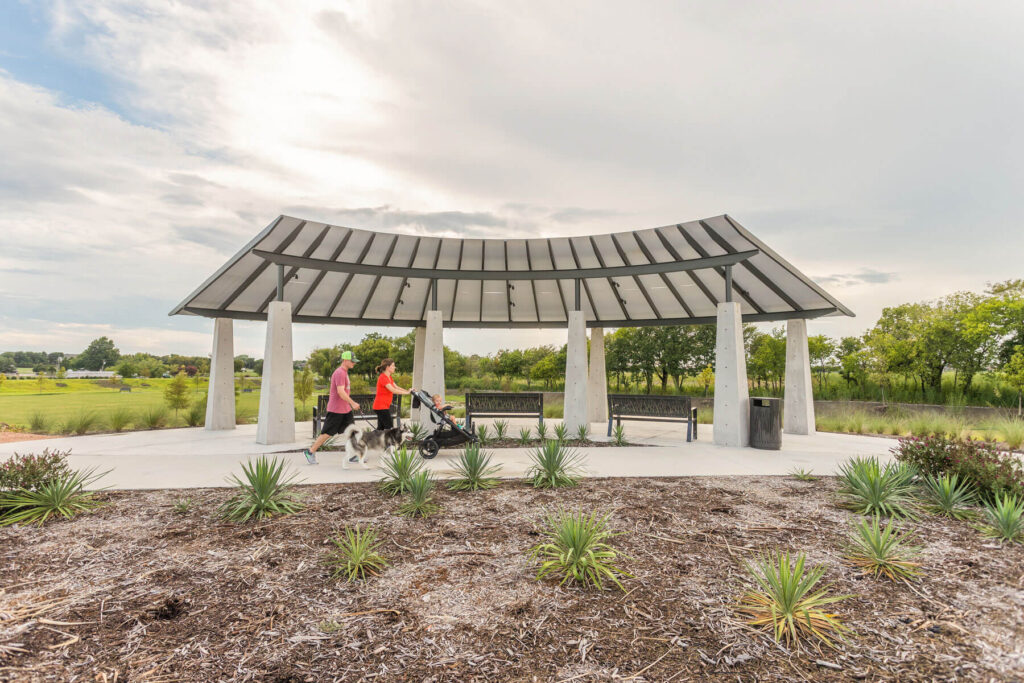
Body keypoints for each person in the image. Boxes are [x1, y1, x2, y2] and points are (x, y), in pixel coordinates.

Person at [303, 350, 359, 465]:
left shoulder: (344, 372)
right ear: (345, 360)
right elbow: (340, 392)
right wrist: (353, 403)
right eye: (352, 361)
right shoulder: (339, 373)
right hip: (336, 410)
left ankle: (353, 455)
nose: (354, 363)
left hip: (345, 409)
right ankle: (310, 451)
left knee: (352, 431)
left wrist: (349, 405)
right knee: (327, 433)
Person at [372, 358, 411, 430]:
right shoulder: (383, 377)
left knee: (380, 429)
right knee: (389, 428)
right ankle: (369, 439)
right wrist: (407, 393)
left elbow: (396, 387)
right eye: (393, 365)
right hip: (380, 407)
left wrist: (408, 391)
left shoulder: (389, 377)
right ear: (387, 367)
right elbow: (393, 390)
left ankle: (370, 439)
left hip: (383, 407)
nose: (394, 367)